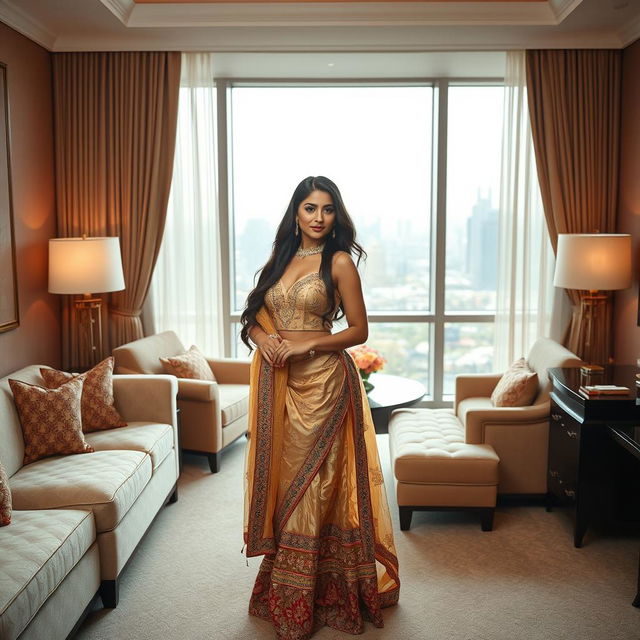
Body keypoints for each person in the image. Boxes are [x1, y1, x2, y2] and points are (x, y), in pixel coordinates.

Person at [241, 176, 400, 640]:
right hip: (279, 382)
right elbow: (252, 318)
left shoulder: (339, 262)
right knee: (286, 481)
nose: (317, 217)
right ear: (296, 212)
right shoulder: (281, 258)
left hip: (324, 381)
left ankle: (315, 593)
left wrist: (306, 348)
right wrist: (266, 340)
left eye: (327, 209)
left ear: (336, 216)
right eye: (310, 208)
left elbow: (358, 330)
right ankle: (284, 587)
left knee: (315, 483)